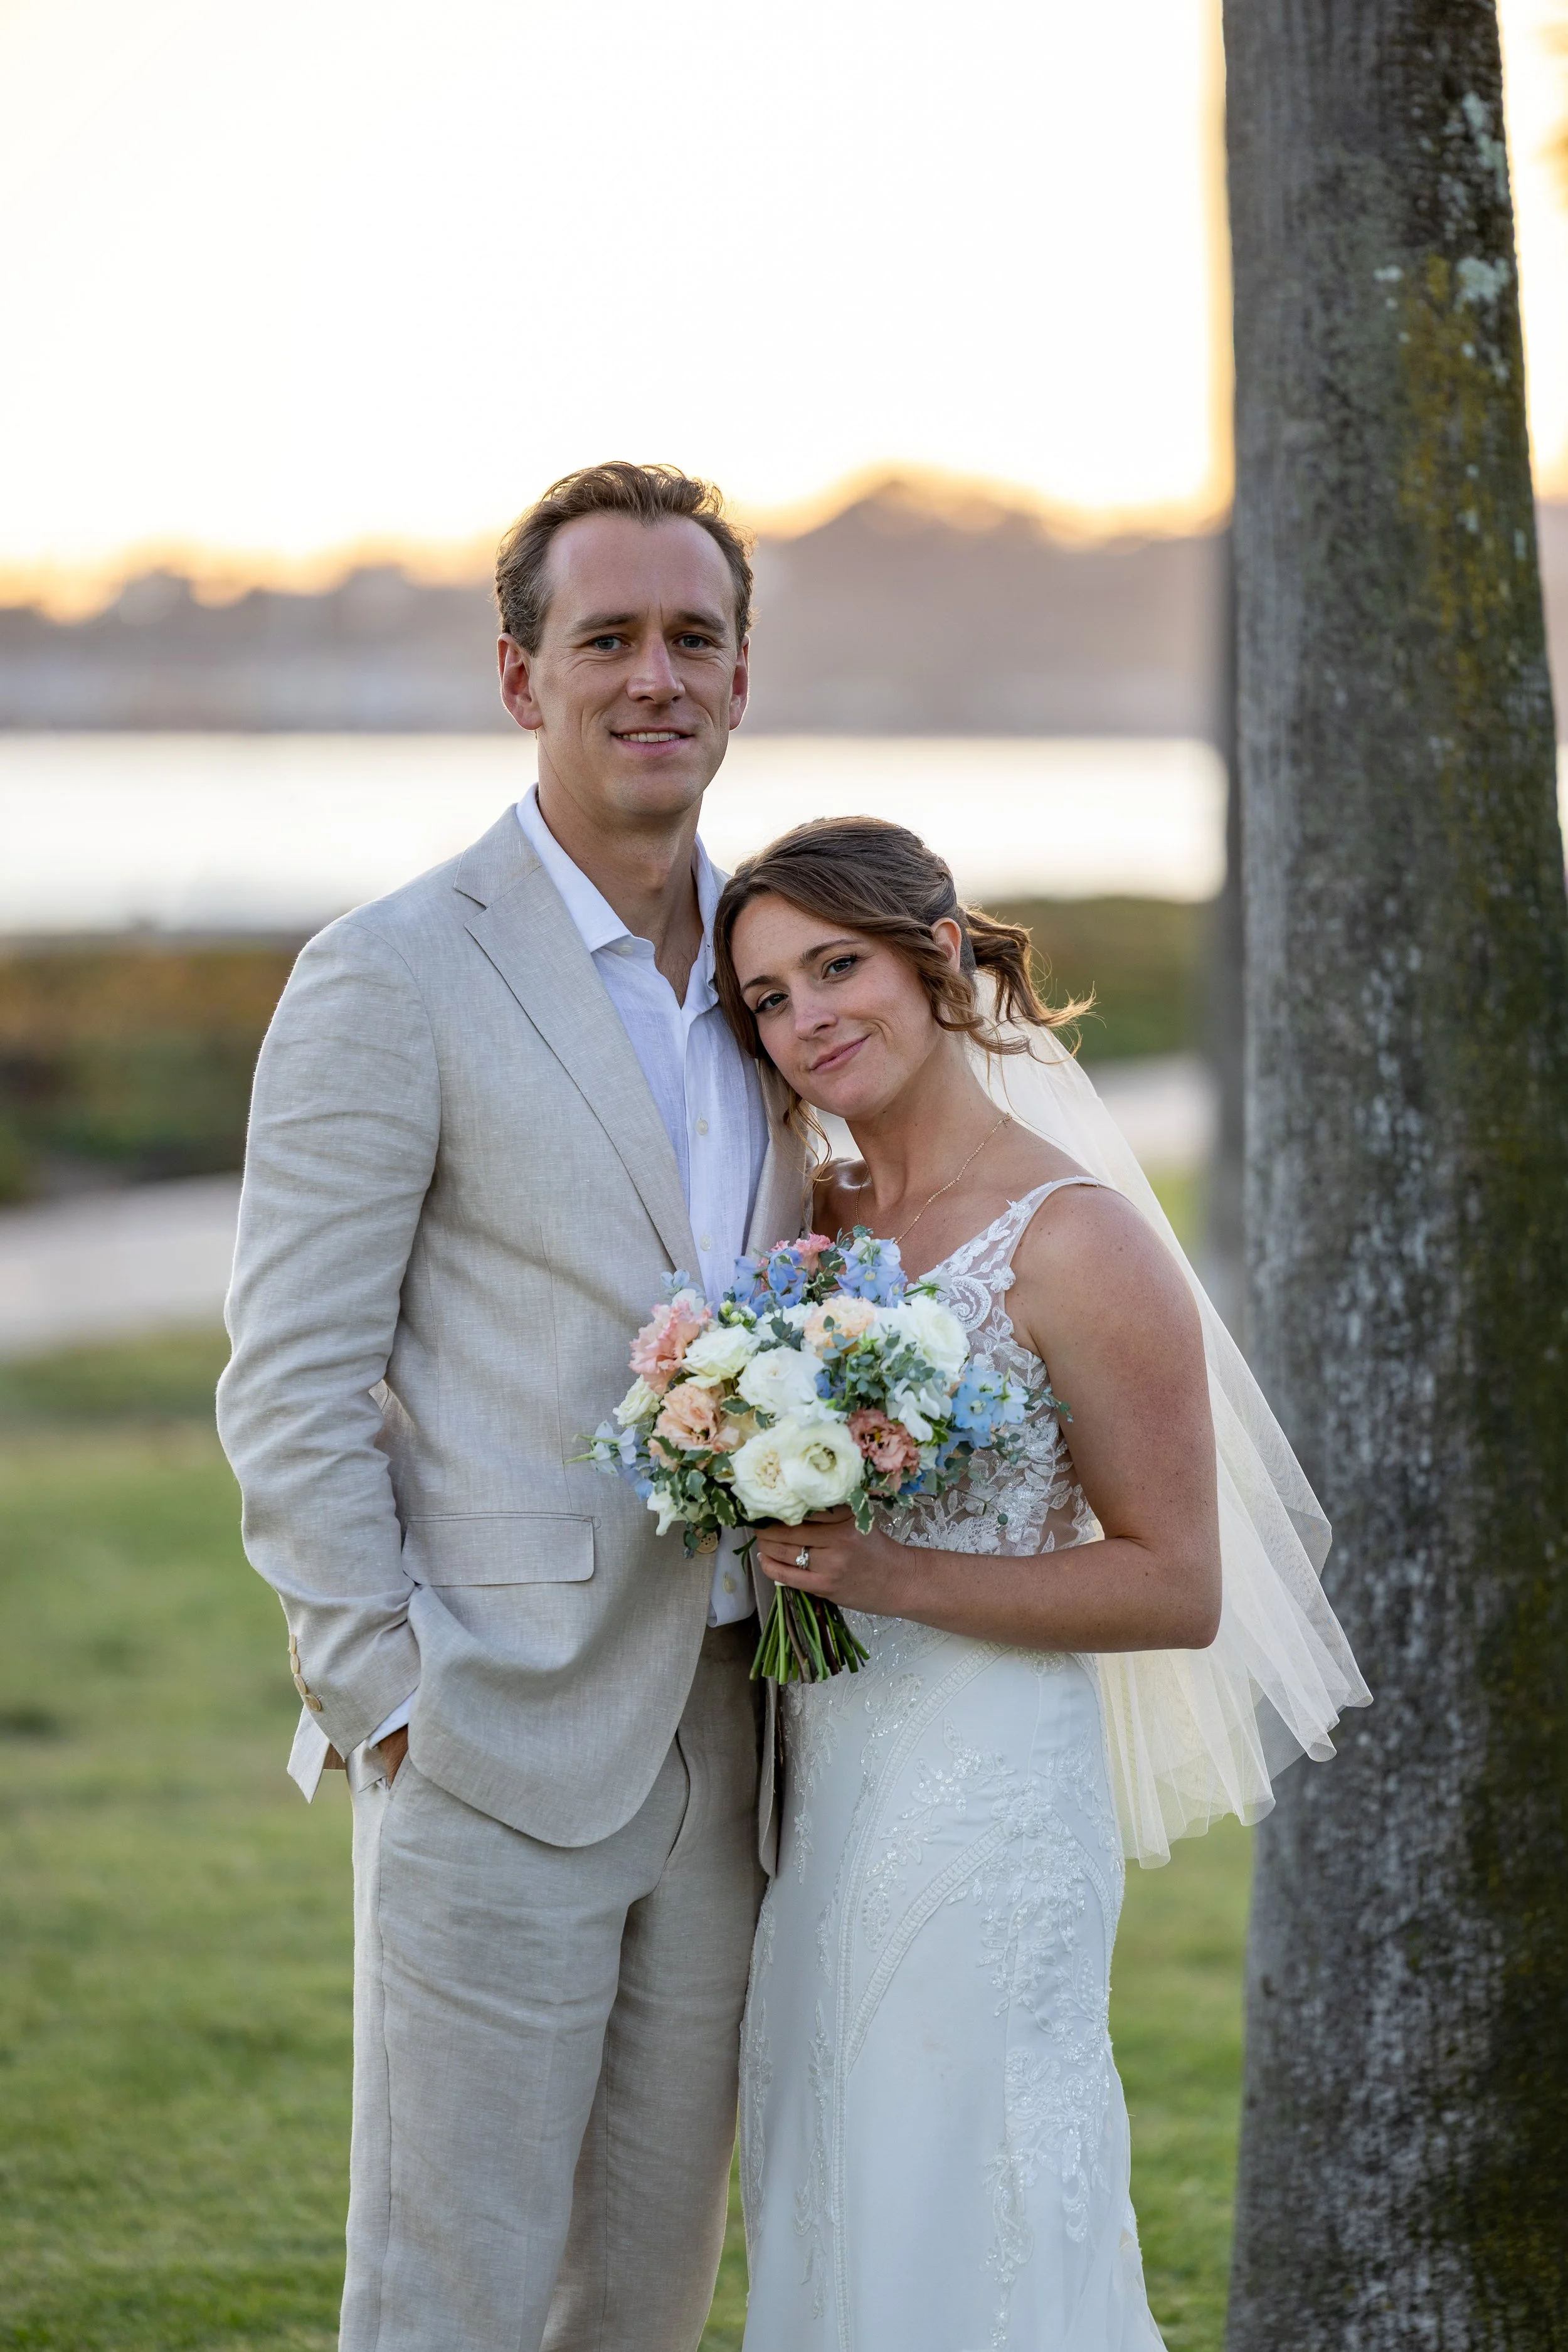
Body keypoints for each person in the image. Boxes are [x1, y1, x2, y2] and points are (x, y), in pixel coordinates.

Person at [217, 461, 808, 2352]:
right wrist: (379, 1688)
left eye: (693, 638)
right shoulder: (389, 972)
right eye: (607, 637)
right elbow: (291, 1372)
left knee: (641, 2290)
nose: (656, 676)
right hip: (486, 1722)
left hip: (736, 1742)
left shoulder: (779, 976)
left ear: (739, 674)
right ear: (516, 673)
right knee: (449, 2289)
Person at [711, 816, 1368, 2352]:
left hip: (988, 1796)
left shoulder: (1075, 1244)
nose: (806, 1017)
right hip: (824, 1793)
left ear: (938, 953)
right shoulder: (821, 1225)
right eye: (765, 997)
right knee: (836, 2177)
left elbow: (1174, 1585)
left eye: (835, 966)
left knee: (978, 2181)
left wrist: (881, 1568)